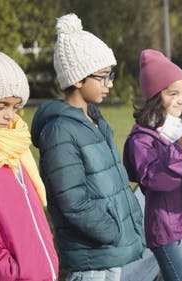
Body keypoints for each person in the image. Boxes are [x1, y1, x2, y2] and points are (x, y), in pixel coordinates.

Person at [30, 14, 145, 281]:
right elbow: (72, 201)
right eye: (103, 77)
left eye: (111, 76)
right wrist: (111, 230)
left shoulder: (94, 119)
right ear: (79, 78)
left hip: (107, 252)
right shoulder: (59, 131)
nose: (110, 84)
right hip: (91, 259)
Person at [0, 50, 59, 280]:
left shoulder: (13, 145)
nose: (10, 116)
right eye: (1, 106)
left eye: (15, 107)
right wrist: (8, 270)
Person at [123, 49, 182, 281]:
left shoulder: (177, 129)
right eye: (173, 93)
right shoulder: (141, 138)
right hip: (166, 228)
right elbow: (153, 179)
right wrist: (180, 149)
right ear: (155, 96)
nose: (181, 99)